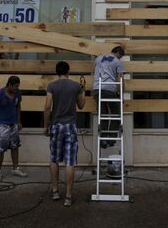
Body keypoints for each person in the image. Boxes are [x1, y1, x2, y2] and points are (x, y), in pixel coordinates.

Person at [43, 61, 85, 207]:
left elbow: (48, 107)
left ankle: (55, 191)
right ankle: (68, 196)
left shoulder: (51, 86)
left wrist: (45, 126)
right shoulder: (76, 86)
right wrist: (83, 91)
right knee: (70, 162)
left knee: (54, 159)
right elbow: (81, 105)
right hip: (70, 126)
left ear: (57, 71)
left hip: (56, 125)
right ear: (68, 71)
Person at [0, 75, 28, 182]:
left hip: (13, 124)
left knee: (15, 146)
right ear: (9, 85)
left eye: (18, 86)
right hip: (1, 125)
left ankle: (15, 168)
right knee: (0, 149)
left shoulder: (18, 93)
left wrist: (19, 121)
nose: (16, 88)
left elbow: (18, 106)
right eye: (15, 86)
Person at [93, 46, 125, 148]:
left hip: (97, 89)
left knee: (103, 114)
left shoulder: (98, 58)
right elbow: (120, 79)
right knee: (116, 113)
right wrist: (121, 95)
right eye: (120, 56)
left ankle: (103, 139)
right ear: (118, 53)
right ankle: (111, 138)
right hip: (109, 89)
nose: (120, 58)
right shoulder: (117, 61)